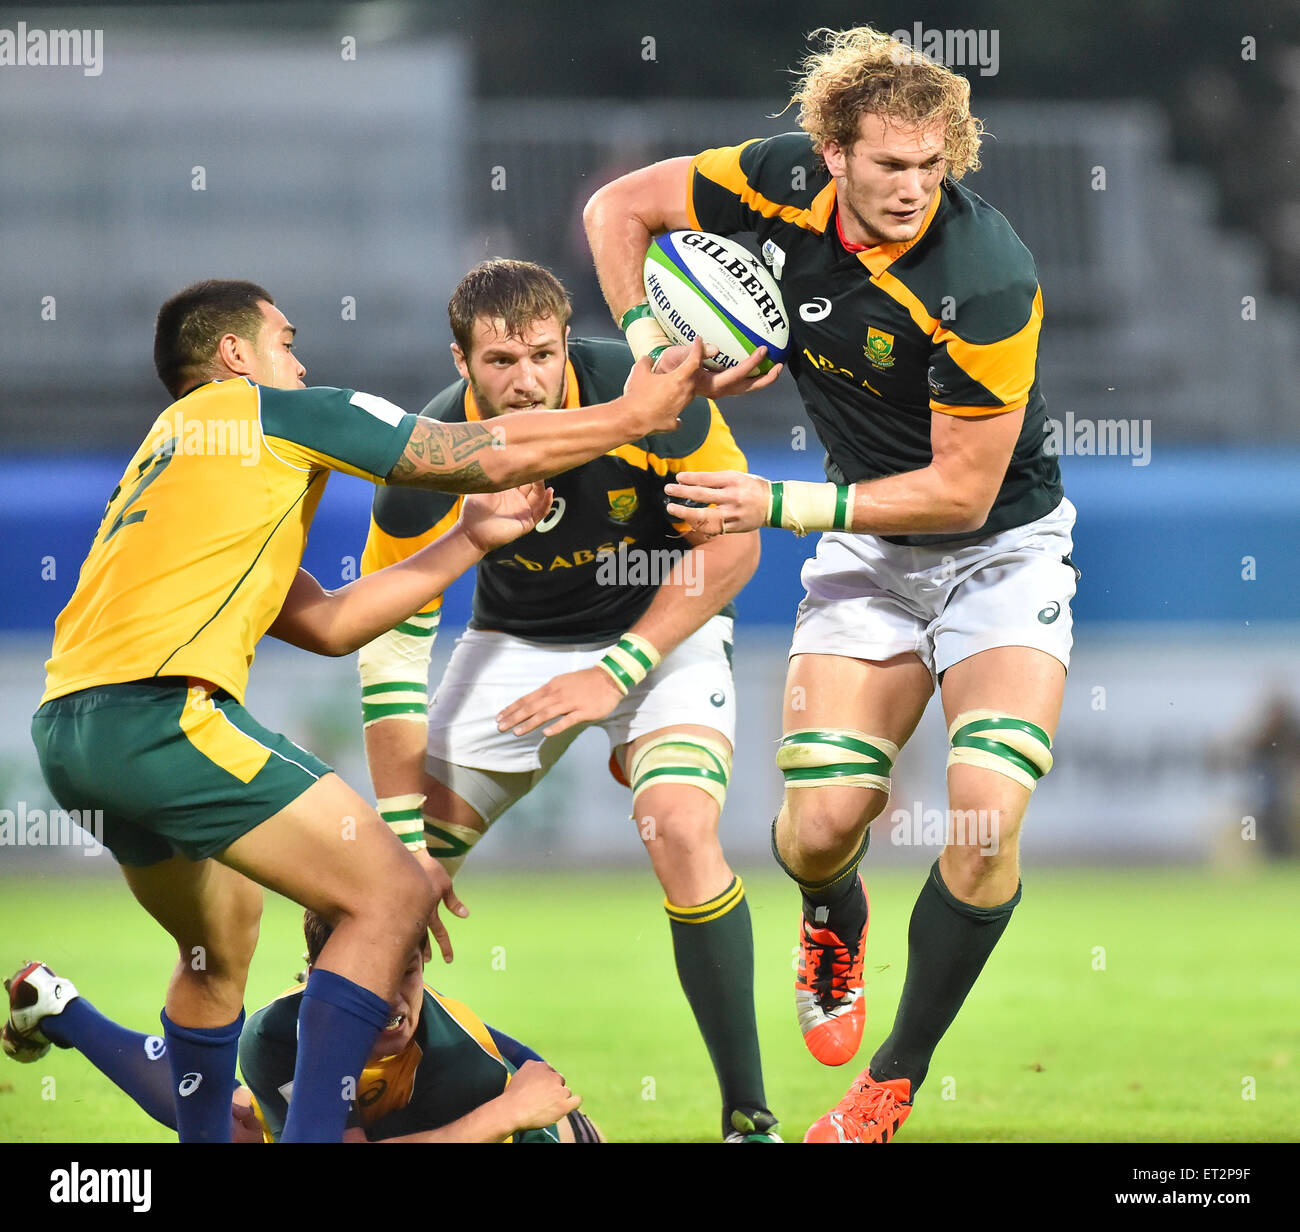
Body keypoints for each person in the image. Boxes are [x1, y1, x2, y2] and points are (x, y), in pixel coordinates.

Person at [28, 278, 723, 1143]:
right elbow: (480, 449)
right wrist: (632, 415)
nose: (302, 359)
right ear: (236, 357)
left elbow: (326, 623)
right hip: (163, 718)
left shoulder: (175, 464)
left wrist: (466, 540)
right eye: (287, 340)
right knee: (391, 891)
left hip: (68, 730)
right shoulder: (269, 411)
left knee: (218, 957)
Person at [583, 25, 1079, 1142]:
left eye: (930, 165)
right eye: (889, 165)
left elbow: (959, 492)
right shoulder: (773, 180)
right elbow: (618, 208)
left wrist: (775, 501)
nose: (911, 189)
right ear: (831, 151)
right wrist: (647, 341)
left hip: (1000, 552)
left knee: (986, 817)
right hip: (869, 558)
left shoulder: (983, 275)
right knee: (814, 831)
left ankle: (890, 1078)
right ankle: (830, 914)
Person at [357, 259, 782, 1142]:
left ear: (566, 344)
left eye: (541, 356)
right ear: (461, 362)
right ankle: (332, 1096)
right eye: (500, 362)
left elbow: (735, 548)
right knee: (382, 892)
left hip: (662, 627)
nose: (525, 382)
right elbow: (391, 645)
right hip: (512, 646)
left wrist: (616, 673)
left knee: (680, 828)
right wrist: (403, 844)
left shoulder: (655, 396)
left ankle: (749, 1118)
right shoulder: (424, 460)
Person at [4, 921, 603, 1143]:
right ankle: (62, 1010)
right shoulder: (277, 1034)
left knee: (233, 1121)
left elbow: (546, 1091)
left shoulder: (464, 1061)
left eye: (409, 974)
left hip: (465, 1122)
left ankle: (58, 1007)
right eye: (369, 981)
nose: (394, 1001)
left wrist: (522, 1119)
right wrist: (493, 1121)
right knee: (226, 1122)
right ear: (318, 978)